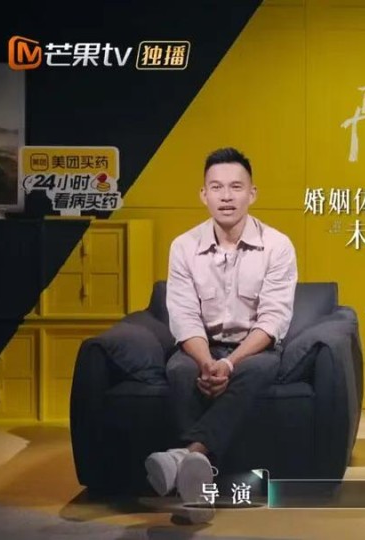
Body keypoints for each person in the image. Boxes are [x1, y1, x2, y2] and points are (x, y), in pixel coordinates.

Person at [145, 147, 297, 521]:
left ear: (252, 193)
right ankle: (198, 491)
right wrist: (206, 361)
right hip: (202, 346)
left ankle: (187, 456)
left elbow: (273, 320)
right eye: (216, 187)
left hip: (253, 348)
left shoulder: (277, 245)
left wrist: (228, 363)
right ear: (204, 195)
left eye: (235, 187)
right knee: (180, 370)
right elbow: (184, 316)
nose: (226, 196)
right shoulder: (184, 246)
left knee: (258, 370)